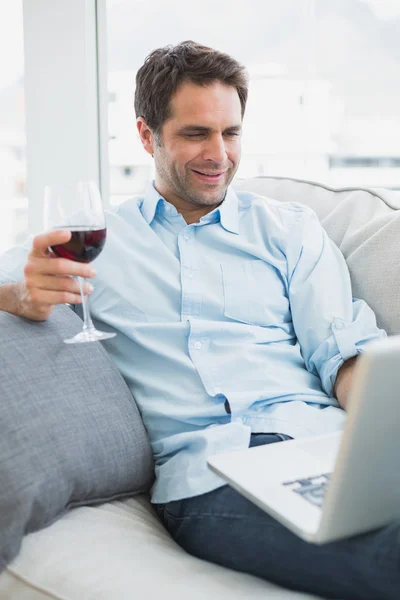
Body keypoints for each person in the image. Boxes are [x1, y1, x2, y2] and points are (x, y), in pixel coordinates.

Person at [0, 41, 398, 599]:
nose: (219, 154)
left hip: (324, 447)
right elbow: (13, 282)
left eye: (230, 133)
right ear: (147, 136)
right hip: (213, 477)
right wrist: (18, 294)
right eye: (195, 134)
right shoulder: (93, 238)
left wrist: (379, 435)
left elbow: (341, 352)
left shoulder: (289, 229)